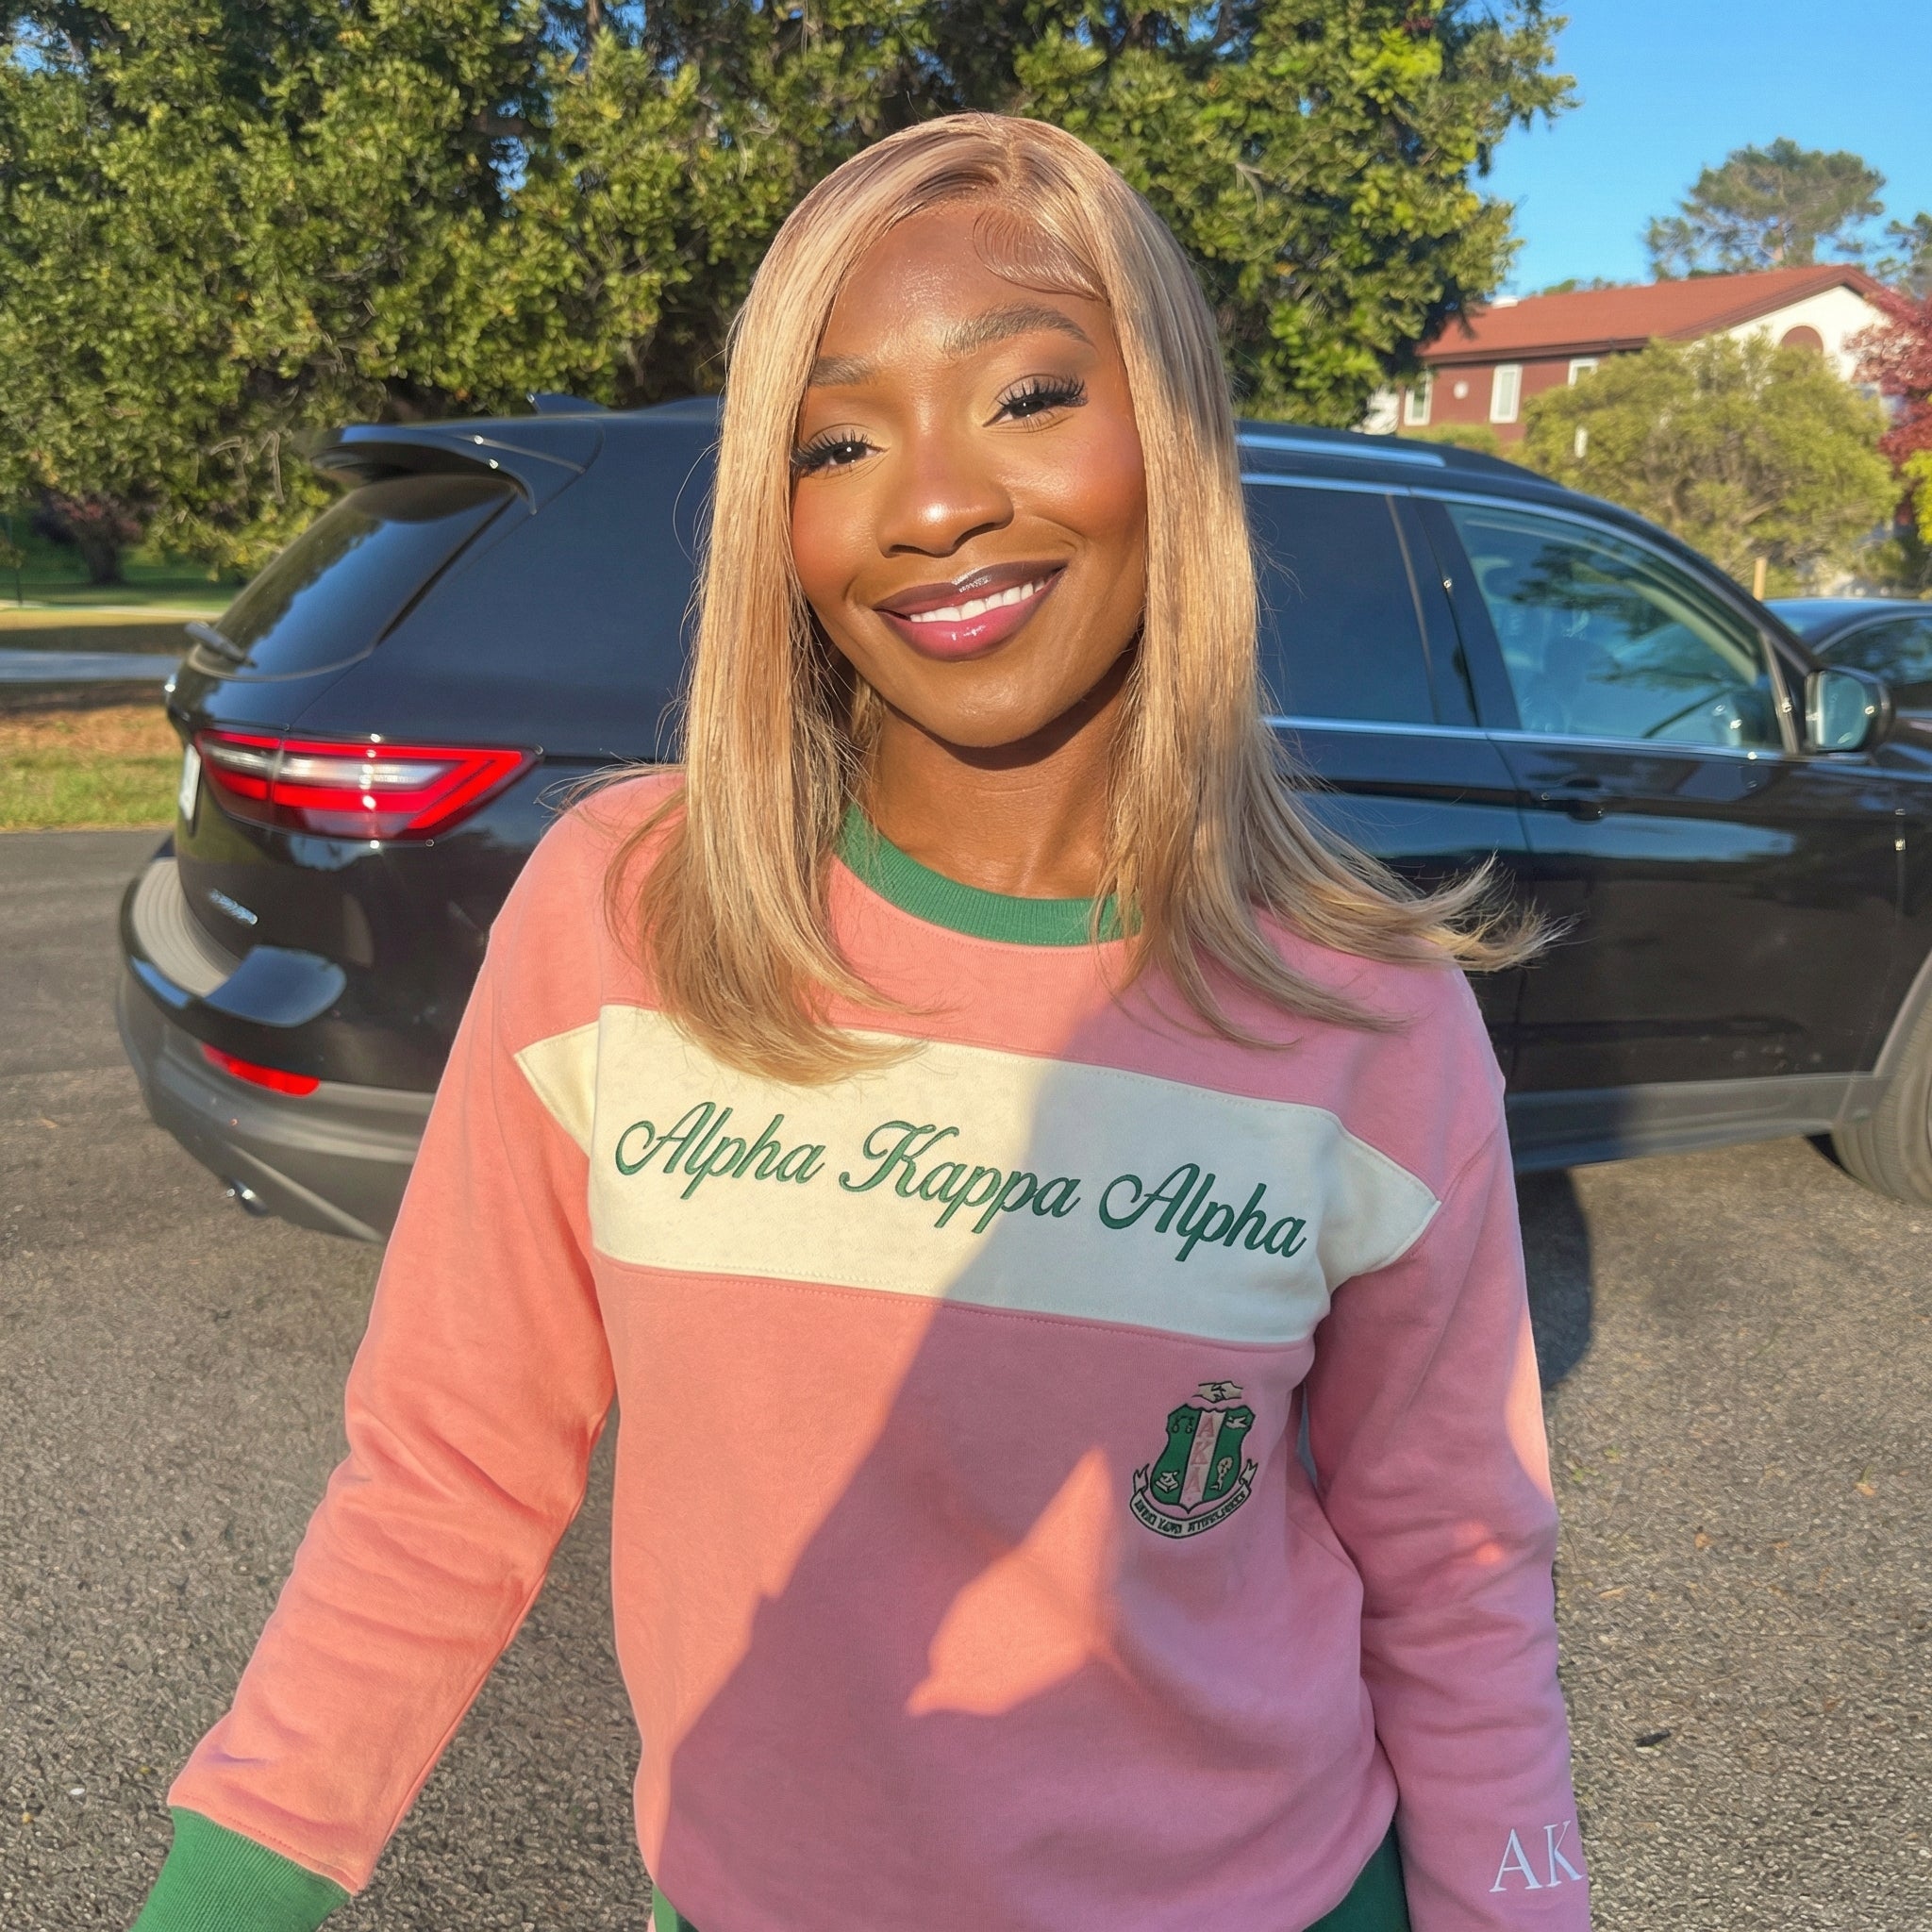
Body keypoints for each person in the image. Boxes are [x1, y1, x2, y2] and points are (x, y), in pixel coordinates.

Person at [130, 113, 1588, 1932]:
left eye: (1030, 396)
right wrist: (222, 1895)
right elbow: (444, 1478)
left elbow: (1457, 1567)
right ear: (781, 513)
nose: (930, 501)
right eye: (838, 436)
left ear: (1176, 438)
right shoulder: (618, 912)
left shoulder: (1371, 1006)